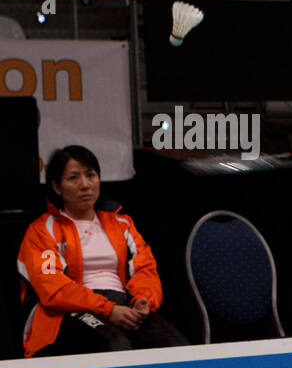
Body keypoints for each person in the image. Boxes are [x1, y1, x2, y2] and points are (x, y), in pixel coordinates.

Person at [17, 145, 188, 357]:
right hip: (68, 311)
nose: (85, 185)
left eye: (91, 175)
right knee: (115, 347)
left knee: (176, 348)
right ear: (57, 187)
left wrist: (142, 299)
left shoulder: (121, 223)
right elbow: (53, 288)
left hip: (124, 303)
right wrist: (107, 309)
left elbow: (145, 268)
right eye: (73, 178)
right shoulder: (43, 229)